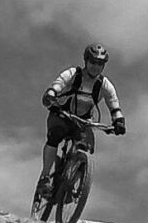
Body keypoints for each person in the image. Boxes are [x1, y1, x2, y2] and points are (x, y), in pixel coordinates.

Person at [33, 43, 126, 213]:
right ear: (86, 61)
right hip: (61, 113)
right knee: (55, 135)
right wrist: (51, 94)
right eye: (93, 62)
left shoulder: (104, 84)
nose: (96, 67)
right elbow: (59, 84)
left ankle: (71, 180)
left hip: (82, 121)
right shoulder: (73, 74)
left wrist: (118, 120)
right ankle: (45, 178)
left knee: (86, 147)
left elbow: (113, 103)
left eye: (100, 64)